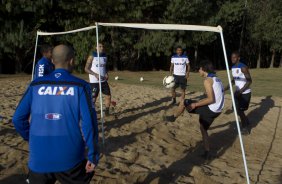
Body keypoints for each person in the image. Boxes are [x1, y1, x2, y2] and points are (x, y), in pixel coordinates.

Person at [13, 44, 99, 184]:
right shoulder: (81, 86)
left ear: (52, 61)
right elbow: (89, 123)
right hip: (71, 157)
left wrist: (31, 137)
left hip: (39, 158)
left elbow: (17, 118)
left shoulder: (35, 85)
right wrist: (93, 155)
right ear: (72, 61)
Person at [165, 60, 224, 159]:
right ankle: (207, 152)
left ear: (204, 69)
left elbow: (211, 99)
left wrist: (195, 104)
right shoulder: (217, 79)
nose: (199, 71)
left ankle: (173, 117)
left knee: (184, 102)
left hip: (211, 109)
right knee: (203, 128)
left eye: (199, 69)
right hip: (218, 110)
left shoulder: (207, 80)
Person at [225, 51, 252, 134]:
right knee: (236, 110)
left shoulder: (243, 67)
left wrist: (241, 91)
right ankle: (246, 121)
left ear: (238, 58)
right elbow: (234, 80)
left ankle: (245, 128)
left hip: (245, 93)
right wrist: (226, 88)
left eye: (234, 57)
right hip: (237, 93)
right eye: (231, 57)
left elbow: (249, 81)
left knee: (240, 111)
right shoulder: (233, 68)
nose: (232, 59)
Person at [85, 43, 111, 115]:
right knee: (93, 98)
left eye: (102, 46)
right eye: (100, 46)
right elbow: (86, 69)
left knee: (108, 96)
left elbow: (105, 67)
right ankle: (90, 112)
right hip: (94, 82)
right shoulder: (92, 56)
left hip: (103, 81)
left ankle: (107, 111)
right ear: (96, 47)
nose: (102, 48)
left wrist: (106, 73)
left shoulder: (105, 56)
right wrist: (95, 74)